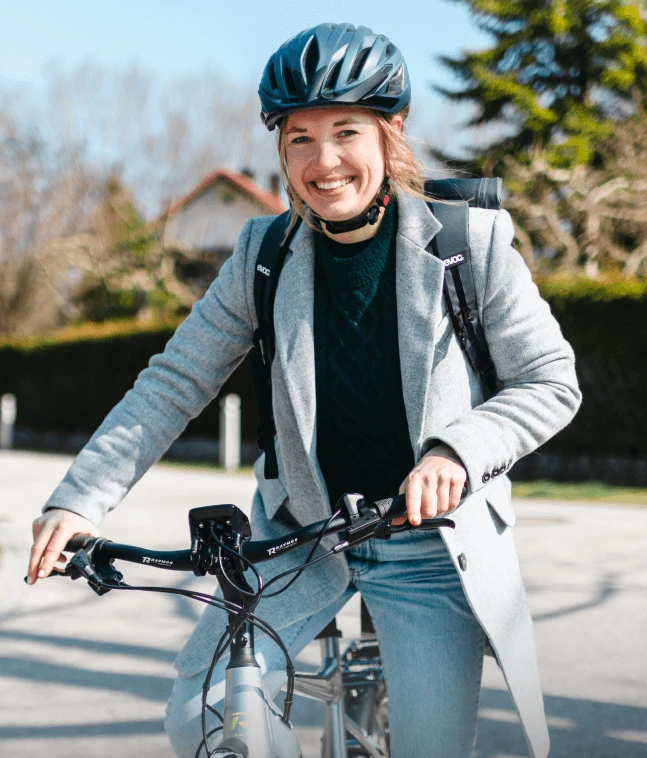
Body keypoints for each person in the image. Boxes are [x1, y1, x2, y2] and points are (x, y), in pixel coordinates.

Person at [27, 23, 581, 758]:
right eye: (299, 139)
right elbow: (174, 381)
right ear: (280, 148)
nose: (323, 162)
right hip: (300, 540)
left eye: (345, 132)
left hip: (426, 550)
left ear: (391, 132)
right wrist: (78, 498)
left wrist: (456, 451)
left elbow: (550, 381)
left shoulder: (467, 243)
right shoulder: (264, 253)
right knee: (204, 718)